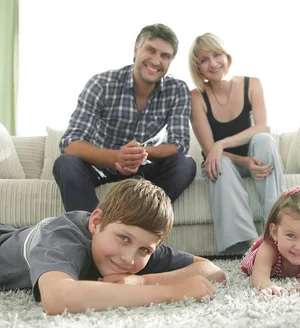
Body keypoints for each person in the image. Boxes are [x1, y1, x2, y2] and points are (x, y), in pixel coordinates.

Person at [0, 178, 226, 315]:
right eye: (123, 238)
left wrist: (143, 282)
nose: (127, 259)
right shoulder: (63, 237)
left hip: (8, 234)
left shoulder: (135, 248)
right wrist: (171, 292)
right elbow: (57, 298)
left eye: (145, 250)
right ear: (96, 222)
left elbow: (212, 270)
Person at [53, 24, 196, 212]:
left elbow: (179, 144)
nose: (156, 60)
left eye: (165, 56)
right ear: (136, 51)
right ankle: (91, 228)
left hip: (144, 168)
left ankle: (142, 220)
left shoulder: (177, 90)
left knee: (185, 164)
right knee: (66, 162)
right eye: (150, 50)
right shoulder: (101, 84)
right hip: (101, 164)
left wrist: (139, 153)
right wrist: (117, 157)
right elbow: (70, 143)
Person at [188, 33, 286, 254]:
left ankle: (278, 229)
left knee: (264, 140)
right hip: (224, 165)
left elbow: (262, 127)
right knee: (217, 159)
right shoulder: (196, 97)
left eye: (217, 55)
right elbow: (209, 150)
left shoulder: (252, 84)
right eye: (204, 60)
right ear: (198, 68)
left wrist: (221, 143)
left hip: (256, 157)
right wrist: (236, 157)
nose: (212, 64)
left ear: (227, 57)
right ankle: (251, 244)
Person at [240, 186, 300, 295]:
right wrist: (267, 285)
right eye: (291, 235)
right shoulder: (268, 248)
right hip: (263, 252)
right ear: (275, 232)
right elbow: (259, 272)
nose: (299, 247)